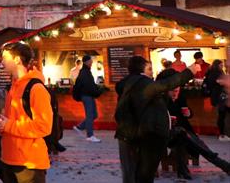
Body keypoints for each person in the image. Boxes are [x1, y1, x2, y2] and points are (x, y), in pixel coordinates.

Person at [114, 54, 193, 182]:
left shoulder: (129, 83)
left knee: (131, 171)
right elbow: (166, 84)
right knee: (138, 173)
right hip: (135, 133)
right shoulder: (142, 83)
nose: (152, 73)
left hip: (128, 132)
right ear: (141, 71)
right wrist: (190, 72)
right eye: (149, 69)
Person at [0, 42, 52, 183]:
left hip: (29, 163)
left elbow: (43, 127)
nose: (1, 62)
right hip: (9, 159)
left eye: (5, 57)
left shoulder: (36, 88)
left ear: (17, 59)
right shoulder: (13, 87)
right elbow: (13, 120)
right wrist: (1, 123)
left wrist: (8, 125)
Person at [71, 54, 102, 142]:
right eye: (90, 61)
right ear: (86, 62)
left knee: (94, 115)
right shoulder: (84, 72)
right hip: (87, 95)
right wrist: (97, 91)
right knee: (90, 115)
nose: (92, 62)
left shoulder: (86, 71)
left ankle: (79, 127)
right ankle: (90, 135)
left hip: (88, 95)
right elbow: (88, 86)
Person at [203, 60, 228, 141]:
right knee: (222, 115)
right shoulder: (216, 73)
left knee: (222, 115)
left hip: (217, 96)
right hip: (220, 96)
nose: (222, 66)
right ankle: (222, 134)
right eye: (221, 65)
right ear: (217, 65)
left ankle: (222, 134)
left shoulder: (211, 72)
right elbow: (219, 82)